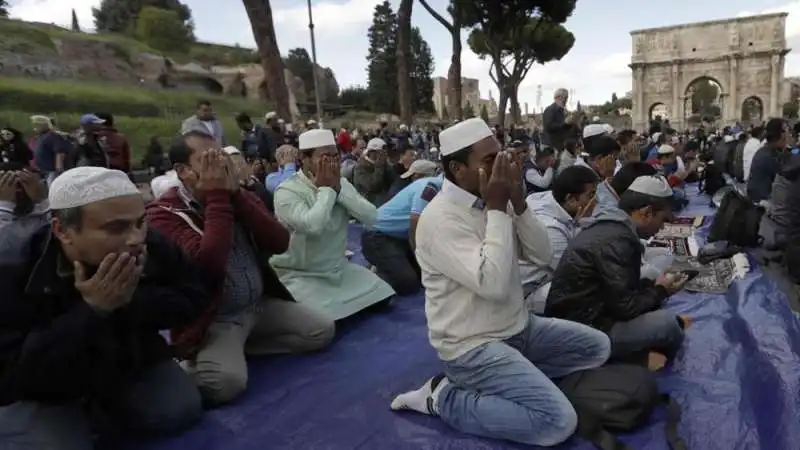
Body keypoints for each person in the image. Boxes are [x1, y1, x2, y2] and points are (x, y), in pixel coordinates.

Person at [390, 118, 610, 447]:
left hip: (517, 327)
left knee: (599, 348)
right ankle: (443, 396)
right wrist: (497, 208)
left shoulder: (497, 199)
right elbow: (491, 284)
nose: (502, 168)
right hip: (472, 346)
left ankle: (509, 378)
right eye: (489, 161)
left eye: (501, 156)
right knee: (557, 422)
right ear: (458, 168)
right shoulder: (439, 220)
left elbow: (542, 254)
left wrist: (518, 204)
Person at [0, 167, 212, 448]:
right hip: (40, 385)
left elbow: (194, 296)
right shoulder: (11, 267)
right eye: (116, 227)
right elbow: (13, 370)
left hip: (122, 362)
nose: (135, 237)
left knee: (177, 410)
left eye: (140, 222)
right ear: (63, 230)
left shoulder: (146, 246)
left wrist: (131, 300)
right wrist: (93, 310)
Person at [147, 131, 334, 405]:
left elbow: (280, 242)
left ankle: (239, 349)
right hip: (216, 319)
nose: (220, 167)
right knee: (225, 384)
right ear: (182, 171)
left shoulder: (238, 195)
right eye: (208, 160)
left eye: (221, 157)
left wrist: (237, 197)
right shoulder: (164, 214)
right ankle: (210, 359)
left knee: (321, 330)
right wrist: (218, 199)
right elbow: (208, 265)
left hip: (258, 305)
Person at [546, 175, 688, 364]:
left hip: (591, 317)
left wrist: (654, 288)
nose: (662, 227)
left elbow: (620, 291)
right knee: (667, 325)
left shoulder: (613, 228)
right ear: (646, 213)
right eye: (662, 220)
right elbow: (626, 308)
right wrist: (662, 290)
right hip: (585, 334)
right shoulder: (617, 240)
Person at [271, 129, 395, 320]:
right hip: (302, 275)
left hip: (338, 270)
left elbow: (371, 216)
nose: (332, 163)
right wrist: (327, 190)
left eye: (335, 156)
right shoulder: (287, 191)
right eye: (325, 157)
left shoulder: (342, 183)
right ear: (304, 158)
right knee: (317, 318)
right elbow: (313, 226)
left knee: (384, 294)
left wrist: (339, 190)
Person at [520, 165, 599, 313]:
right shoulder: (550, 228)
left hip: (547, 277)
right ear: (571, 199)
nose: (595, 201)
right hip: (530, 292)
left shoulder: (556, 202)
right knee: (588, 288)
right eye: (591, 195)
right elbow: (574, 270)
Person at [361, 171, 443, 295]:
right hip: (377, 235)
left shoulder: (444, 190)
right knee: (407, 283)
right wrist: (421, 259)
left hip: (399, 236)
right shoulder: (431, 187)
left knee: (424, 277)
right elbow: (415, 225)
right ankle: (369, 277)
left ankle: (388, 265)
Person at [747, 118, 787, 203]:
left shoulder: (766, 150)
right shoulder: (768, 156)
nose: (787, 134)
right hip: (763, 201)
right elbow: (785, 176)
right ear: (779, 136)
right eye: (785, 130)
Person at [31, 115, 71, 184]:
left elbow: (60, 152)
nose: (34, 128)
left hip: (51, 171)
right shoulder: (40, 137)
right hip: (41, 171)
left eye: (36, 125)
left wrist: (59, 169)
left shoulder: (53, 136)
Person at [354, 138, 391, 206]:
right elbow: (373, 187)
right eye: (381, 152)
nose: (385, 154)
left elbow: (392, 181)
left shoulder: (383, 163)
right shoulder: (360, 167)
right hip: (368, 203)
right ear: (372, 153)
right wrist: (379, 167)